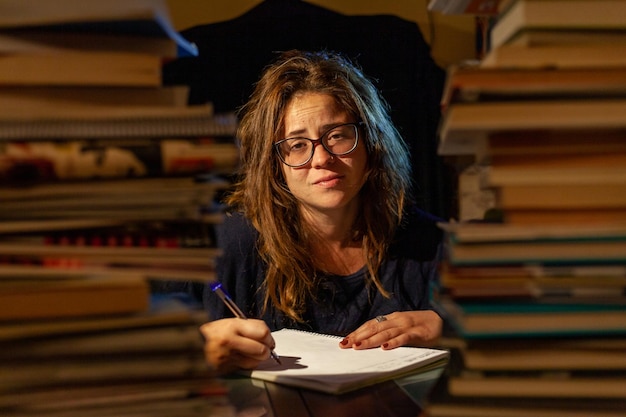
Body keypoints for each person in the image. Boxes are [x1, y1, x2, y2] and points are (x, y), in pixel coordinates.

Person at [199, 49, 443, 374]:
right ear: (274, 166)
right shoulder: (230, 245)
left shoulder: (432, 243)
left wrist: (451, 328)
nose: (321, 158)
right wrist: (195, 349)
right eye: (297, 144)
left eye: (337, 136)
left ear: (371, 142)